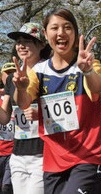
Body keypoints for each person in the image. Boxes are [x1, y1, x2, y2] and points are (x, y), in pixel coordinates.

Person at [13, 8, 101, 194]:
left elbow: (97, 89)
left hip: (88, 157)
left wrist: (87, 71)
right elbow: (23, 103)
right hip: (54, 161)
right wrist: (20, 88)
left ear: (75, 32)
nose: (61, 33)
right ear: (45, 33)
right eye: (54, 28)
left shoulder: (87, 64)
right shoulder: (39, 71)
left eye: (67, 27)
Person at [0, 22, 50, 194]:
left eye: (27, 41)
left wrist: (41, 113)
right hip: (18, 154)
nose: (21, 45)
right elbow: (5, 117)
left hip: (43, 153)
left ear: (42, 44)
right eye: (18, 41)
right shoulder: (11, 78)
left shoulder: (49, 72)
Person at [0, 62, 16, 194]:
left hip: (13, 152)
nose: (10, 76)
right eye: (7, 73)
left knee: (7, 188)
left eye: (13, 72)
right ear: (1, 77)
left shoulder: (21, 97)